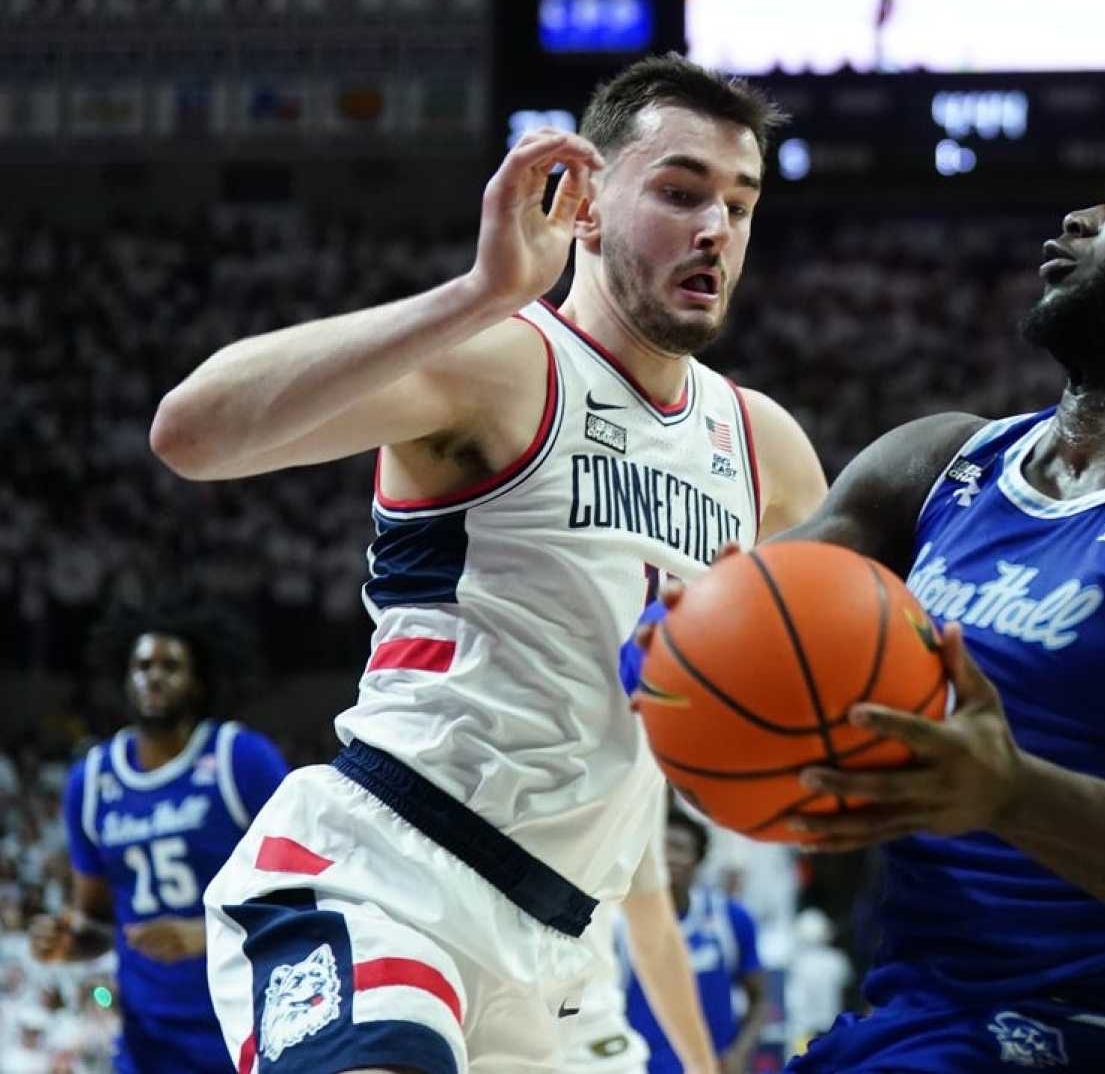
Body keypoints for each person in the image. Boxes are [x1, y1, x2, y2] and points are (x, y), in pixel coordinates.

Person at [150, 54, 828, 1073]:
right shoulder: (508, 365)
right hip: (385, 877)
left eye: (739, 203)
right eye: (681, 191)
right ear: (587, 207)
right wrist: (478, 292)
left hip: (568, 955)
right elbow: (191, 434)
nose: (714, 230)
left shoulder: (764, 450)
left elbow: (835, 673)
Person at [649, 132, 1105, 1072]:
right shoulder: (934, 467)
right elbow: (729, 632)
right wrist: (666, 639)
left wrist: (1012, 794)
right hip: (913, 1019)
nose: (1077, 218)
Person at [29, 602, 289, 1072]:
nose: (154, 676)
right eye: (142, 665)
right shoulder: (90, 781)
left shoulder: (242, 759)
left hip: (249, 1022)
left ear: (199, 682)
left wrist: (209, 933)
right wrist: (68, 943)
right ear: (125, 679)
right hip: (149, 1041)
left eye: (171, 666)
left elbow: (302, 894)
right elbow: (98, 922)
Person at [620, 807, 772, 1074]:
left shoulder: (731, 918)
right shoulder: (618, 923)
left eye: (678, 848)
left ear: (698, 860)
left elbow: (760, 1000)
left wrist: (739, 1053)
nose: (667, 856)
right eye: (659, 847)